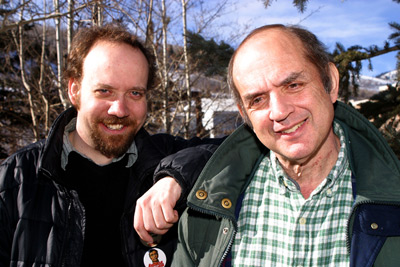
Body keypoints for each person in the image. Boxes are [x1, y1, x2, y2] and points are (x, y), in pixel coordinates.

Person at [171, 24, 400, 267]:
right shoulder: (205, 216)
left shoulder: (392, 199)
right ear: (245, 115)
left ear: (330, 83)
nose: (279, 112)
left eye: (293, 85)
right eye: (257, 99)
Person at [0, 24, 219, 267]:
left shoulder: (164, 157)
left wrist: (176, 177)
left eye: (135, 93)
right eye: (104, 91)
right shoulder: (16, 179)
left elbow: (246, 143)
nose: (120, 110)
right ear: (75, 91)